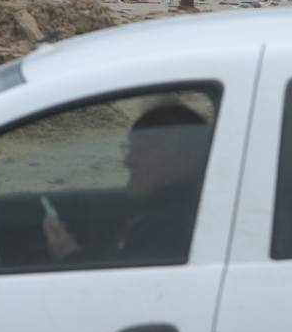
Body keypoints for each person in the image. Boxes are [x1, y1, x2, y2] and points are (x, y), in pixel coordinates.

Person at [42, 102, 209, 264]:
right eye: (129, 148)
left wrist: (68, 256)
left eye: (143, 150)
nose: (128, 161)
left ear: (186, 159)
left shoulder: (173, 227)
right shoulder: (160, 213)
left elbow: (122, 287)